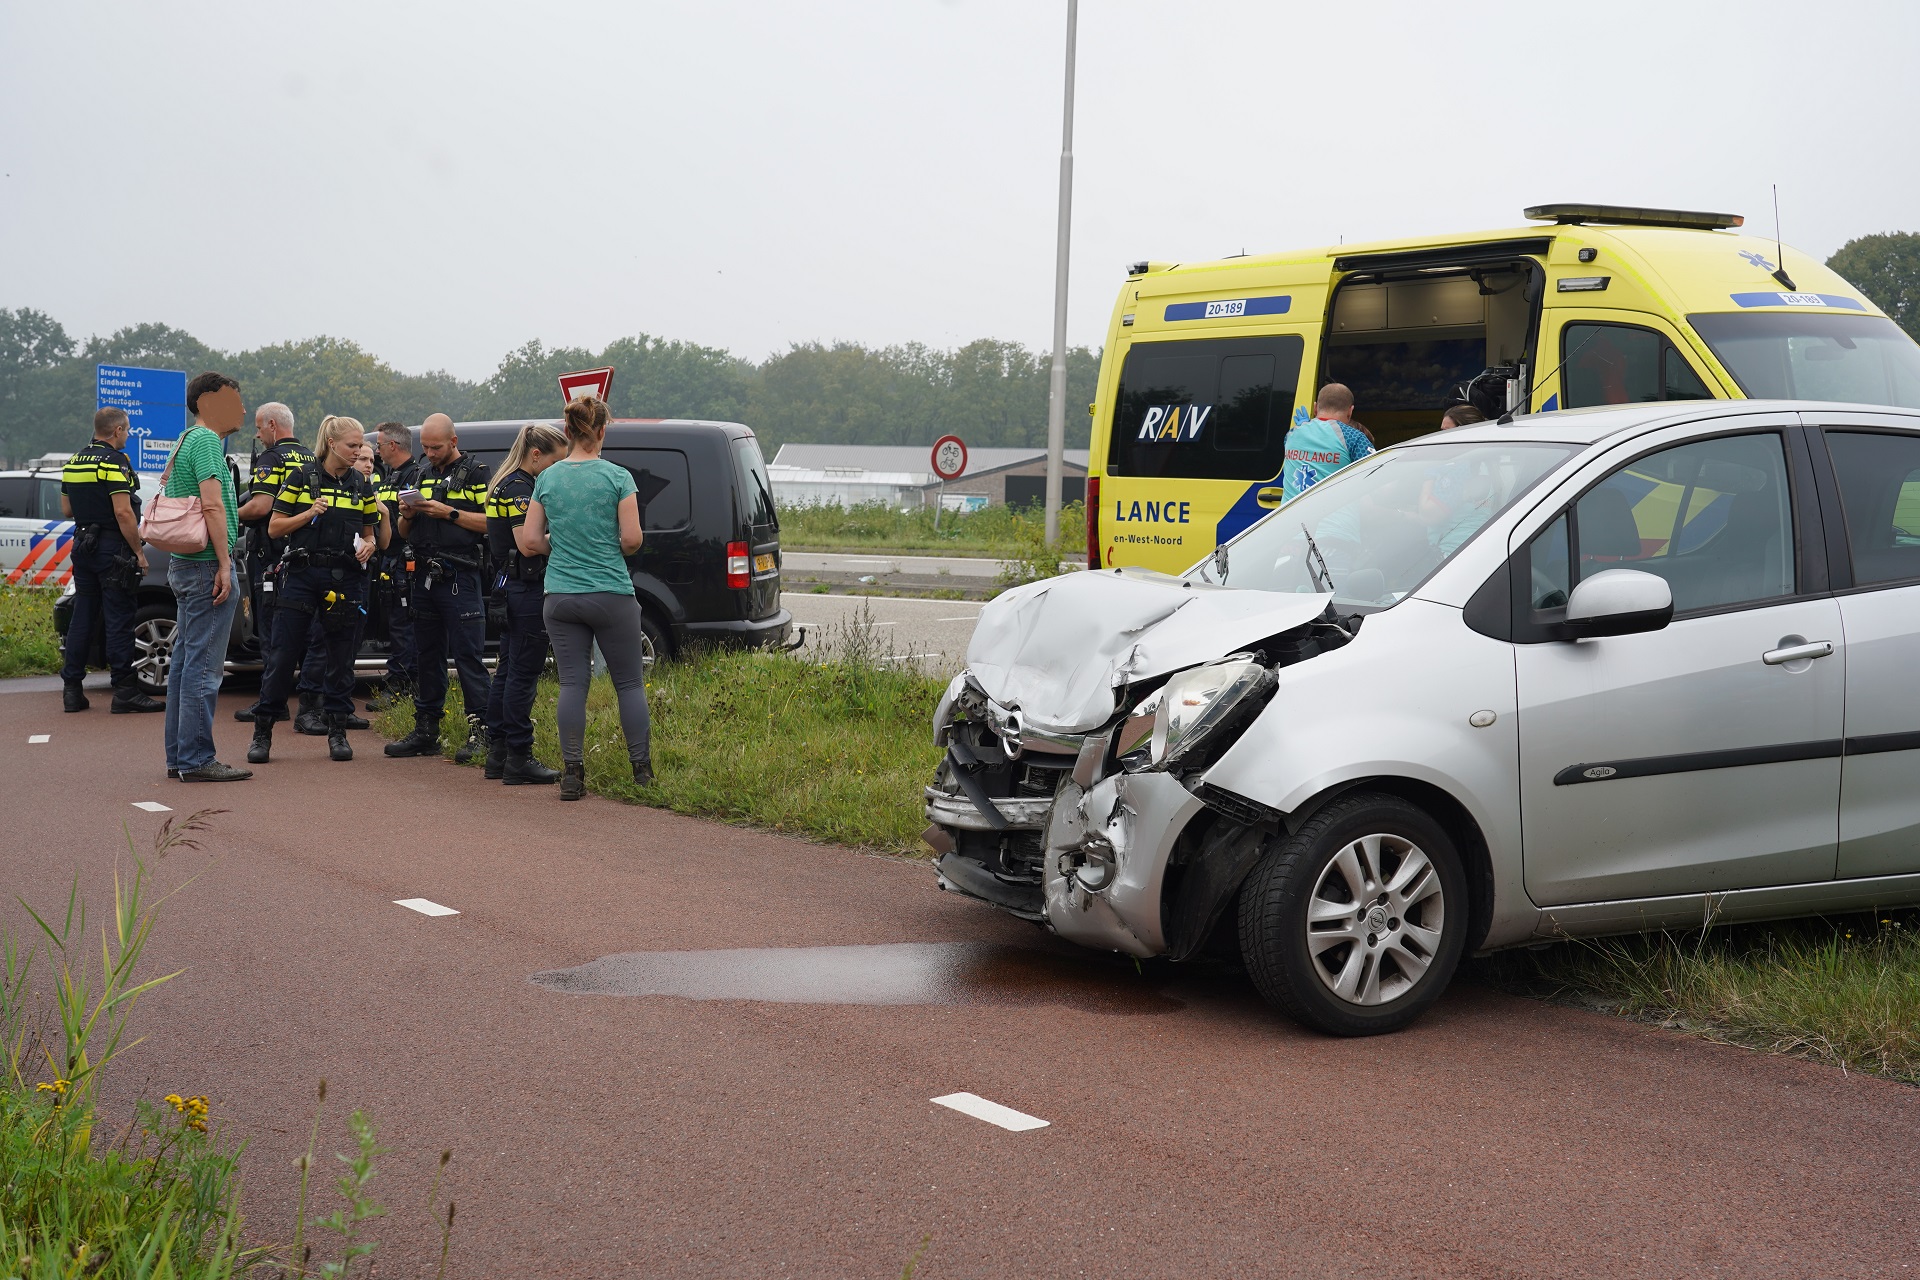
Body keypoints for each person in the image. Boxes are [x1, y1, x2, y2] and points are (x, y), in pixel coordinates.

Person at [519, 396, 652, 799]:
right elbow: (632, 540)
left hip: (560, 595)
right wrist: (610, 546)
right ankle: (642, 772)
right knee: (629, 684)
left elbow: (530, 541)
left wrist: (561, 546)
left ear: (567, 432)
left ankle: (572, 774)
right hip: (610, 592)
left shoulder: (547, 478)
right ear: (602, 431)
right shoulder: (618, 477)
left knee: (572, 684)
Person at [246, 416, 382, 765]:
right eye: (352, 445)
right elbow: (275, 528)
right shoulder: (301, 477)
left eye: (360, 446)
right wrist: (308, 513)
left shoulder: (361, 484)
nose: (358, 452)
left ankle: (337, 732)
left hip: (345, 579)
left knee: (341, 659)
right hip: (302, 575)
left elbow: (371, 534)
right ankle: (263, 732)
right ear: (332, 443)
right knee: (282, 656)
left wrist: (369, 546)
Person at [385, 413, 491, 762]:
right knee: (427, 655)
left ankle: (483, 731)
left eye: (436, 447)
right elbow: (403, 532)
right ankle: (426, 730)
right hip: (423, 575)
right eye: (426, 447)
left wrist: (448, 512)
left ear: (454, 442)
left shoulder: (477, 473)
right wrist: (408, 514)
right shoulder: (420, 474)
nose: (430, 453)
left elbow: (492, 523)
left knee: (468, 656)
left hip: (460, 575)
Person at [163, 372, 252, 783]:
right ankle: (197, 758)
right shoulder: (206, 442)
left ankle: (180, 756)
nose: (242, 410)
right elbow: (213, 506)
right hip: (205, 566)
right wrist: (224, 565)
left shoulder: (184, 439)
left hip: (185, 563)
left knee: (184, 664)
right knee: (203, 669)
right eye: (234, 401)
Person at [58, 407, 162, 714]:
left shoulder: (74, 461)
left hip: (82, 544)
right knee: (119, 617)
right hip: (111, 548)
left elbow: (67, 510)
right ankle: (125, 691)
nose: (127, 435)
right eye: (127, 430)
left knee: (83, 616)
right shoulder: (114, 461)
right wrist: (139, 552)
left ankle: (72, 690)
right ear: (117, 430)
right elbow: (123, 512)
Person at [482, 423, 568, 786]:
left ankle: (498, 753)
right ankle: (519, 755)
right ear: (536, 455)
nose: (557, 470)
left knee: (507, 671)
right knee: (523, 674)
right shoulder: (520, 488)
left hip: (509, 586)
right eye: (555, 462)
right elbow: (528, 544)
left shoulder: (506, 482)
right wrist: (566, 541)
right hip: (525, 588)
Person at [234, 401, 326, 731]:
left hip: (271, 557)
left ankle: (272, 704)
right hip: (302, 555)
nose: (258, 435)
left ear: (273, 425)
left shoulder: (271, 458)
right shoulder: (311, 458)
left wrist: (227, 512)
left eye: (260, 428)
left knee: (273, 633)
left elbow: (260, 506)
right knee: (306, 633)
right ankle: (308, 704)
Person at [367, 421, 419, 711]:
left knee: (403, 624)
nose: (377, 451)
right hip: (389, 561)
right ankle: (402, 678)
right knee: (395, 623)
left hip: (404, 560)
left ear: (393, 446)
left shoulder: (415, 476)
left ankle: (402, 682)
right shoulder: (389, 477)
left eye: (379, 445)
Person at [1281, 383, 1375, 502]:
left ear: (1315, 408)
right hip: (1334, 514)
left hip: (1291, 513)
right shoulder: (1355, 438)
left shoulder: (1291, 435)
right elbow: (1375, 478)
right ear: (1350, 411)